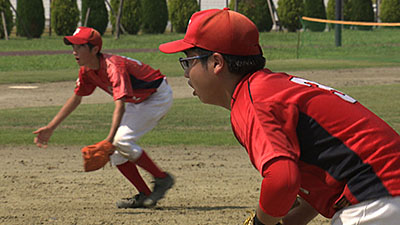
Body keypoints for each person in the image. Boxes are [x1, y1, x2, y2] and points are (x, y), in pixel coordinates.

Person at [159, 8, 400, 225]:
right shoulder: (269, 88)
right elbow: (325, 167)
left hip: (378, 198)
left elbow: (282, 179)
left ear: (216, 62)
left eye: (187, 61)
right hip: (384, 193)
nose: (186, 73)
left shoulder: (253, 101)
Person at [33, 27, 174, 209]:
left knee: (120, 141)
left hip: (156, 96)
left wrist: (108, 140)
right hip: (137, 99)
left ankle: (162, 179)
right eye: (73, 47)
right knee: (115, 153)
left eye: (79, 46)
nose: (74, 51)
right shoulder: (87, 71)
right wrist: (51, 127)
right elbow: (77, 98)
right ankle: (146, 195)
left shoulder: (113, 67)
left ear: (94, 49)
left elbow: (120, 105)